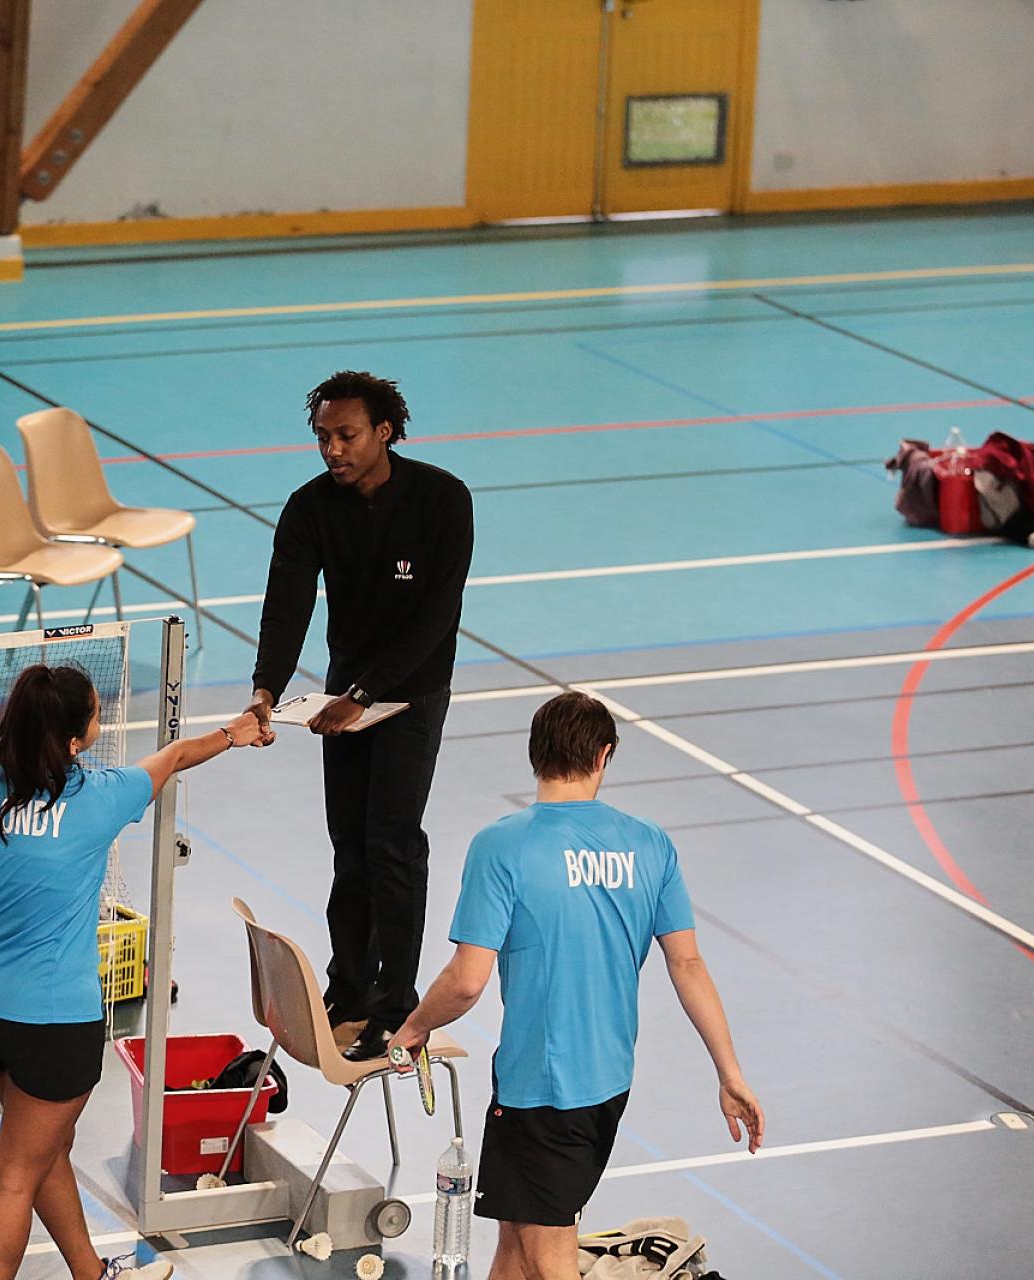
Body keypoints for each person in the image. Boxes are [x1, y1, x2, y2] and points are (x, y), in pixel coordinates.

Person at [0, 665, 263, 1280]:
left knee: (44, 1148)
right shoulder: (100, 796)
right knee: (12, 1178)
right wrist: (234, 733)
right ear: (75, 739)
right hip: (54, 1024)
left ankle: (91, 1273)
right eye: (96, 716)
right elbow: (174, 756)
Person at [389, 692, 764, 1279]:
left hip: (544, 1086)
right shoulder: (650, 844)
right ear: (602, 756)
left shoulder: (502, 845)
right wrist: (730, 1072)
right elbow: (688, 965)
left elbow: (466, 982)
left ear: (534, 754)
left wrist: (413, 1028)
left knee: (547, 1255)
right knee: (517, 1238)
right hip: (607, 1079)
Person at [248, 369, 474, 1061]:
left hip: (411, 693)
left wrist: (368, 693)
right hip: (344, 695)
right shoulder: (310, 507)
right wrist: (266, 688)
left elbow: (438, 616)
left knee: (392, 844)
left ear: (385, 431)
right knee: (349, 842)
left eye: (346, 435)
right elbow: (287, 601)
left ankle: (395, 1002)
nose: (333, 450)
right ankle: (349, 987)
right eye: (322, 437)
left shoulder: (442, 499)